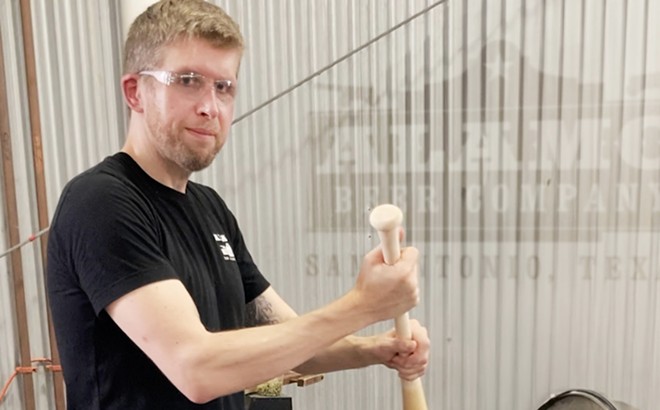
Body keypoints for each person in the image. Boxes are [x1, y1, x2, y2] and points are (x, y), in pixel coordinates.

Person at [46, 1, 430, 409]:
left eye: (224, 87)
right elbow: (196, 368)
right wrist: (362, 305)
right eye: (188, 80)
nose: (210, 107)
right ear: (135, 91)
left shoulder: (210, 209)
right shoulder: (102, 203)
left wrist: (376, 347)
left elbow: (289, 338)